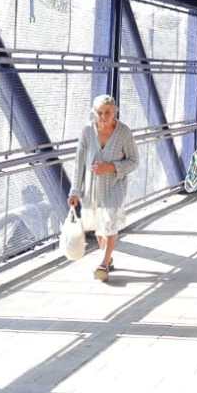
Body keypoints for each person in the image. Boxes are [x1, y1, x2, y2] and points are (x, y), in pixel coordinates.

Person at [70, 95, 139, 282]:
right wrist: (75, 191)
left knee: (109, 222)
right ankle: (108, 257)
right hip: (91, 189)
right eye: (99, 112)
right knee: (99, 226)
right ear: (94, 112)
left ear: (115, 111)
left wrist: (111, 167)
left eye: (107, 112)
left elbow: (134, 161)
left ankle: (103, 264)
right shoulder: (87, 131)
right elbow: (79, 163)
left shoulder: (124, 132)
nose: (103, 116)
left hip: (114, 186)